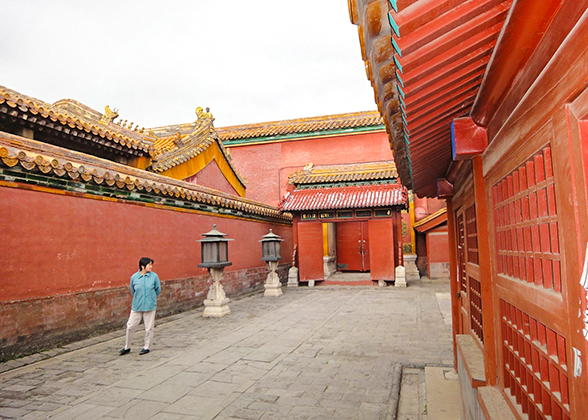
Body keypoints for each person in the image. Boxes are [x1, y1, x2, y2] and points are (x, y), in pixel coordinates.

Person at [119, 257, 161, 356]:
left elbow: (157, 290)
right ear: (143, 266)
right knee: (130, 326)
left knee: (149, 328)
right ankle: (127, 346)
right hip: (137, 305)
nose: (151, 266)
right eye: (149, 265)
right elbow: (133, 291)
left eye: (151, 264)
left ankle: (147, 347)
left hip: (150, 305)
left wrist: (151, 298)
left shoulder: (154, 277)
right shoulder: (134, 277)